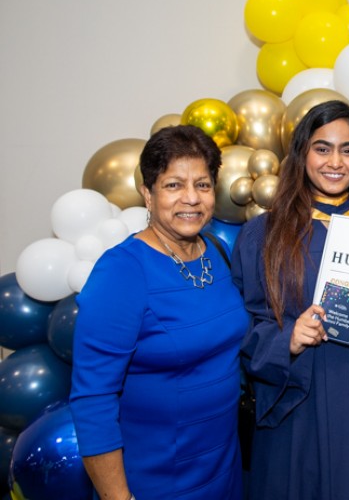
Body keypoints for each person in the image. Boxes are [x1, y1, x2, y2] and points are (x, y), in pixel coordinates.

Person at [231, 99, 349, 500]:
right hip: (303, 397)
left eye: (348, 149)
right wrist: (287, 339)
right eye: (322, 148)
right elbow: (241, 325)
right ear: (302, 154)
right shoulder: (265, 234)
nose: (336, 161)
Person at [70, 125, 248, 500]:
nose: (191, 198)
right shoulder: (121, 272)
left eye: (202, 184)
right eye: (173, 185)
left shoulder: (213, 252)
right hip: (156, 481)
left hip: (224, 471)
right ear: (147, 194)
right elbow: (93, 401)